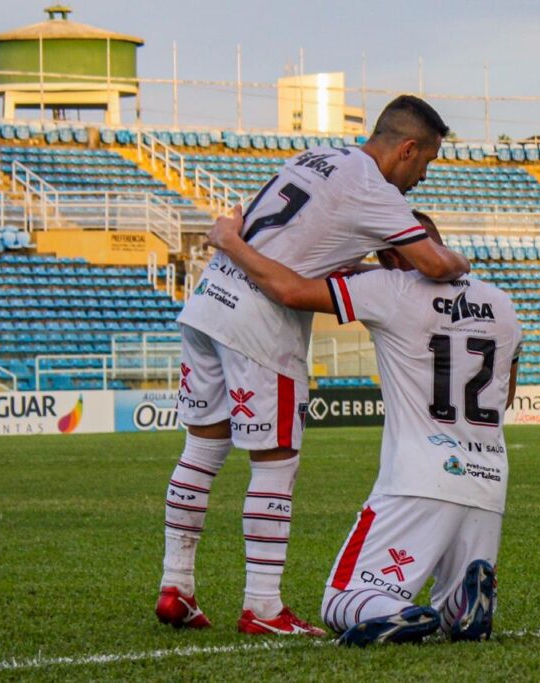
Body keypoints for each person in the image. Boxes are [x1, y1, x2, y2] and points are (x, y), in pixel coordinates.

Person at [156, 95, 470, 636]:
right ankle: (263, 606)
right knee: (276, 462)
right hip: (260, 319)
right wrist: (466, 262)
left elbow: (311, 237)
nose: (424, 175)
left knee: (202, 448)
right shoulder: (375, 188)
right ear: (408, 148)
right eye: (427, 162)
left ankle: (176, 586)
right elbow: (436, 264)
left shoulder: (315, 156)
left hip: (209, 300)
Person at [205, 207, 520, 646]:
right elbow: (504, 397)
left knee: (341, 600)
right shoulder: (502, 304)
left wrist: (231, 243)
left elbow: (291, 291)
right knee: (452, 617)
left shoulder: (388, 290)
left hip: (418, 476)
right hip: (488, 479)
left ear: (390, 256)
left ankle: (393, 612)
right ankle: (461, 605)